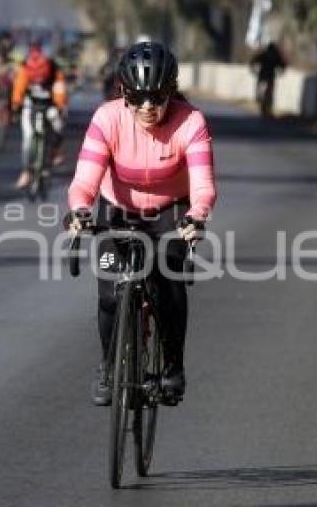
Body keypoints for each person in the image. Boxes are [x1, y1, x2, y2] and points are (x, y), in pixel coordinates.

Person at [64, 41, 216, 406]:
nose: (148, 106)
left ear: (171, 92)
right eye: (138, 97)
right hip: (117, 210)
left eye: (158, 97)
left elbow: (202, 185)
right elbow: (84, 181)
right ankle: (108, 367)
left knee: (168, 281)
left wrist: (197, 215)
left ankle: (173, 367)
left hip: (170, 211)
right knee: (108, 297)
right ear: (124, 93)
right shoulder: (107, 118)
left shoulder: (191, 121)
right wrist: (80, 210)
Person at [11, 38, 68, 189]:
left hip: (50, 103)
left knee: (57, 125)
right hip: (31, 104)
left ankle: (55, 152)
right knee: (28, 136)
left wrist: (60, 105)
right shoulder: (25, 67)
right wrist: (16, 105)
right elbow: (19, 87)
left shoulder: (54, 69)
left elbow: (59, 88)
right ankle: (26, 171)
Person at [250, 41, 286, 117]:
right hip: (269, 77)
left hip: (264, 76)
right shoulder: (275, 56)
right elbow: (283, 65)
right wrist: (281, 71)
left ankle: (265, 107)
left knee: (263, 93)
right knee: (267, 94)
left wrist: (253, 70)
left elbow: (253, 61)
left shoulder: (265, 55)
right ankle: (266, 108)